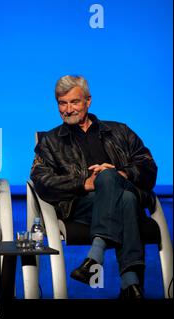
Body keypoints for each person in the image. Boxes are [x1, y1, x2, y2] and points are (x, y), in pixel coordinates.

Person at [30, 75, 157, 299]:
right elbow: (41, 180)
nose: (67, 109)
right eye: (62, 103)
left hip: (124, 195)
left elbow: (148, 166)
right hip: (81, 204)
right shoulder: (49, 141)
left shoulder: (120, 131)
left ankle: (95, 256)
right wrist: (85, 183)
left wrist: (121, 173)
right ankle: (131, 284)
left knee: (114, 184)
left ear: (88, 101)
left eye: (74, 102)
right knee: (122, 197)